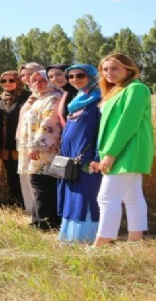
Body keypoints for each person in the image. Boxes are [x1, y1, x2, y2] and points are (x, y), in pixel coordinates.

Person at [89, 53, 153, 247]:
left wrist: (110, 154)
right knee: (132, 195)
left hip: (129, 148)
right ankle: (135, 241)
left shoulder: (137, 88)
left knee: (106, 197)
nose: (109, 73)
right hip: (122, 148)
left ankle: (102, 243)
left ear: (129, 69)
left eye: (115, 68)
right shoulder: (116, 90)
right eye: (105, 69)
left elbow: (128, 123)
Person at [56, 64, 103, 243]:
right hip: (70, 156)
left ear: (91, 76)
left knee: (87, 194)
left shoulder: (99, 100)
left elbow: (102, 132)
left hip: (86, 156)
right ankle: (70, 235)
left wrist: (97, 157)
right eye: (71, 77)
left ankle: (87, 237)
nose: (75, 80)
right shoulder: (78, 98)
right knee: (72, 194)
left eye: (80, 75)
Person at [17, 71, 63, 230]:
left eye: (43, 80)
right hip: (37, 147)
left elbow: (49, 124)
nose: (38, 83)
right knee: (41, 184)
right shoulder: (40, 99)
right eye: (34, 80)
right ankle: (40, 220)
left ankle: (44, 222)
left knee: (42, 184)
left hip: (46, 149)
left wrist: (37, 145)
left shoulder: (54, 98)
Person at [0, 71, 31, 207]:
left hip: (20, 142)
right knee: (10, 171)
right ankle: (14, 198)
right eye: (4, 81)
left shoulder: (28, 97)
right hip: (3, 142)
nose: (7, 83)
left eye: (11, 80)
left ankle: (25, 200)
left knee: (22, 172)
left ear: (19, 81)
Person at [16, 62, 45, 212]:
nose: (26, 78)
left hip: (37, 142)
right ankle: (30, 209)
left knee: (35, 177)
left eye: (30, 74)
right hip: (23, 139)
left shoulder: (47, 94)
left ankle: (38, 211)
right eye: (23, 75)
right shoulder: (31, 95)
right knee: (25, 175)